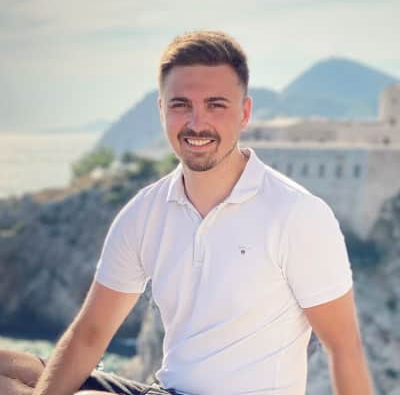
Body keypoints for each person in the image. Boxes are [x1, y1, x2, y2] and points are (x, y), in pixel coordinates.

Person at [0, 30, 374, 395]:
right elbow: (90, 334)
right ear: (162, 110)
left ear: (244, 113)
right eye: (181, 105)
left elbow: (344, 347)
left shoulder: (297, 214)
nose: (197, 123)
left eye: (216, 105)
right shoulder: (145, 212)